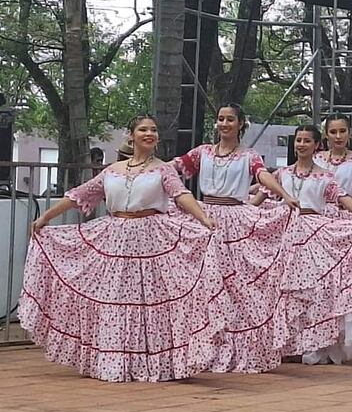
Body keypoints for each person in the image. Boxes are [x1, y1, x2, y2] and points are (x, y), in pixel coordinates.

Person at [18, 114, 223, 382]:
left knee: (148, 300)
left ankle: (153, 362)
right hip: (114, 238)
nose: (149, 134)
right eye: (143, 129)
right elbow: (79, 194)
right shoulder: (112, 171)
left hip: (151, 240)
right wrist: (46, 217)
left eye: (153, 130)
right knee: (114, 297)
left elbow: (180, 195)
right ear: (132, 135)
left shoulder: (163, 169)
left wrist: (203, 218)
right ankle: (113, 361)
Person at [173, 103, 300, 373]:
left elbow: (262, 175)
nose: (224, 124)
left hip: (235, 219)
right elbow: (172, 171)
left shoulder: (248, 156)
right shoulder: (202, 152)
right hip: (204, 215)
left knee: (236, 285)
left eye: (230, 119)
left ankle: (236, 349)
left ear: (241, 123)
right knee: (202, 283)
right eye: (221, 119)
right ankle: (201, 347)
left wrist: (285, 194)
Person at [259, 125, 352, 364]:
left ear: (316, 145)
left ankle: (312, 344)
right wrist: (248, 213)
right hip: (285, 233)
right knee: (282, 289)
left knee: (312, 290)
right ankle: (286, 344)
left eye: (306, 141)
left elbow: (342, 196)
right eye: (298, 140)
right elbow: (263, 193)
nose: (301, 145)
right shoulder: (282, 173)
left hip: (314, 232)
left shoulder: (325, 175)